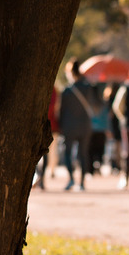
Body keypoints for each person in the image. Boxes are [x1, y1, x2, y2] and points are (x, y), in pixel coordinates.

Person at [57, 59, 95, 191]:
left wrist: (60, 126)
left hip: (69, 125)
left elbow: (61, 110)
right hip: (85, 125)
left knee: (68, 153)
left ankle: (71, 179)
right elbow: (96, 105)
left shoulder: (67, 91)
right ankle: (83, 182)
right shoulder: (88, 87)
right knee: (83, 154)